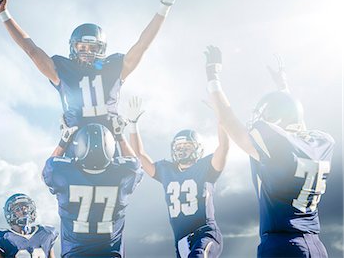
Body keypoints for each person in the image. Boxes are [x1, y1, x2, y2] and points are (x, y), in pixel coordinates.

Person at [0, 0, 182, 133]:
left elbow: (142, 45)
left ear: (102, 49)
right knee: (50, 173)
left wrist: (164, 8)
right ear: (73, 47)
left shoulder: (113, 67)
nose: (87, 51)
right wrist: (3, 13)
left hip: (111, 144)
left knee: (133, 168)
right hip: (74, 147)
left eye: (92, 48)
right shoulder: (62, 69)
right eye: (82, 47)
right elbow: (30, 49)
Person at [204, 46, 335, 257]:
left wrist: (213, 76)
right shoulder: (321, 143)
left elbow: (229, 119)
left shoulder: (277, 145)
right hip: (316, 246)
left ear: (275, 120)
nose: (259, 121)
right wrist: (283, 88)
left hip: (283, 244)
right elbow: (295, 119)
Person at [127, 96, 229, 258]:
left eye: (187, 146)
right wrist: (133, 125)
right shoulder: (166, 171)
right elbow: (139, 155)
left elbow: (223, 148)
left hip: (205, 233)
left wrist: (221, 115)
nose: (182, 150)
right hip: (181, 239)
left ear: (197, 149)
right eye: (179, 146)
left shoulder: (206, 167)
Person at [42, 123, 143, 257]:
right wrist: (120, 136)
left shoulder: (62, 173)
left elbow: (46, 172)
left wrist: (63, 142)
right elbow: (135, 163)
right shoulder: (124, 174)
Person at [0, 193, 58, 258]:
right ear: (10, 214)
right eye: (17, 209)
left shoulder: (46, 233)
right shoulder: (1, 238)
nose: (24, 211)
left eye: (26, 208)